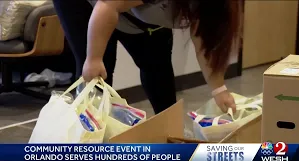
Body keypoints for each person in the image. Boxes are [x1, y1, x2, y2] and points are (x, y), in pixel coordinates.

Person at [53, 0, 242, 114]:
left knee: (158, 66)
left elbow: (203, 41)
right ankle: (87, 151)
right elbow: (108, 5)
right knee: (99, 76)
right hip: (87, 6)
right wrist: (93, 59)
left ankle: (169, 132)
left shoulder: (211, 6)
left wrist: (219, 90)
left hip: (131, 12)